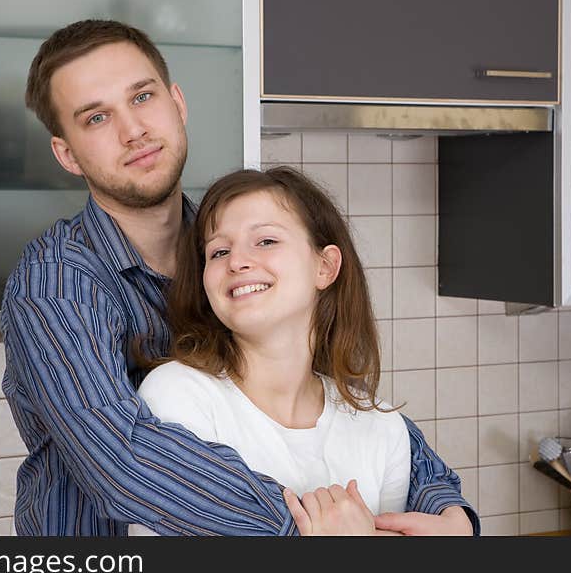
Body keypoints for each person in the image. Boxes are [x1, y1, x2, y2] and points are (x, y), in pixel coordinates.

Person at [1, 18, 479, 536]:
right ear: (67, 154)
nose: (132, 129)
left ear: (177, 103)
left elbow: (340, 408)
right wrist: (312, 529)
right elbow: (122, 458)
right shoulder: (53, 284)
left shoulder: (227, 247)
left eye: (142, 97)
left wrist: (448, 514)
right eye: (96, 118)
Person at [130, 166, 472, 536]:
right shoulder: (178, 395)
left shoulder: (382, 427)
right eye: (219, 251)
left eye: (265, 241)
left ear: (325, 267)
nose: (237, 261)